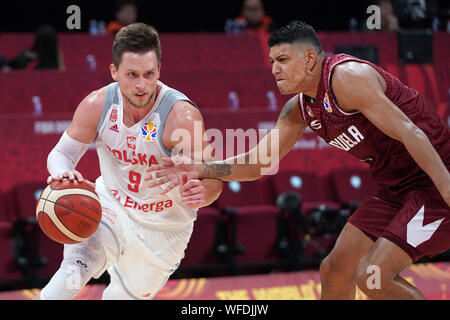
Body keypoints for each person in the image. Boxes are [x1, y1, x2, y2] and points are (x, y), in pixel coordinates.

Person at [146, 21, 450, 300]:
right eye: (271, 62)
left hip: (436, 181)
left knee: (374, 277)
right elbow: (258, 165)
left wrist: (447, 189)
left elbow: (411, 133)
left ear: (309, 59)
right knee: (334, 269)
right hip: (396, 190)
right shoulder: (299, 108)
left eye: (283, 60)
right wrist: (201, 168)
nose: (275, 69)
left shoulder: (347, 77)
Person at [37, 23, 223, 300]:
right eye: (132, 74)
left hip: (163, 227)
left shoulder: (181, 117)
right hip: (110, 206)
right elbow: (61, 154)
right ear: (114, 72)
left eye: (149, 74)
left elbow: (213, 179)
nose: (141, 85)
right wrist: (64, 174)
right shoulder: (97, 104)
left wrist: (202, 193)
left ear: (159, 70)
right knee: (70, 275)